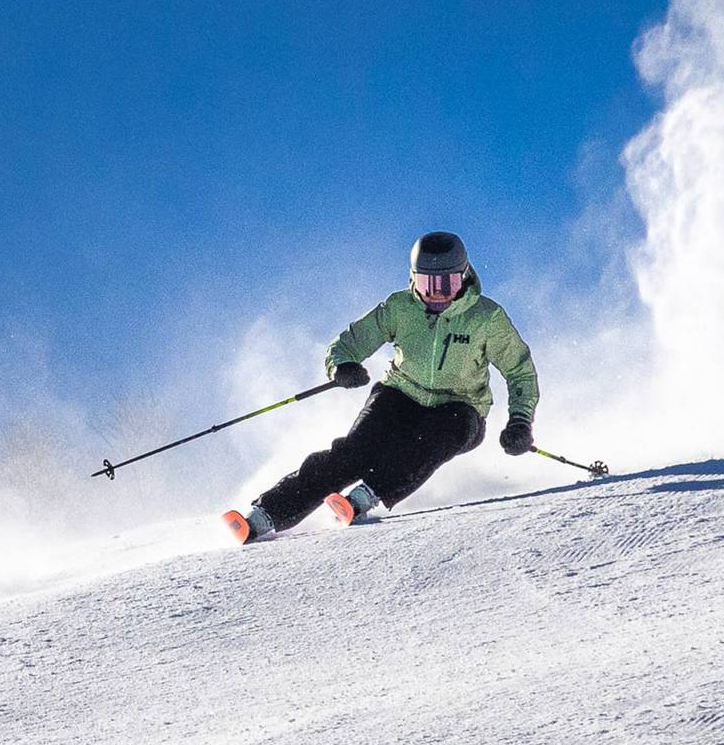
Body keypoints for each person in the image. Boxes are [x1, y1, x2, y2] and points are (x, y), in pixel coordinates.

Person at [222, 231, 538, 544]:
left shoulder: (486, 318)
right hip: (400, 396)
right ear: (413, 279)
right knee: (355, 451)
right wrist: (342, 366)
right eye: (427, 284)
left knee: (435, 437)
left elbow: (519, 371)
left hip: (460, 409)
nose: (437, 295)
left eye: (448, 284)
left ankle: (365, 496)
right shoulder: (400, 307)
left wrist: (520, 422)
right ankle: (264, 516)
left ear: (464, 277)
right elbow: (349, 343)